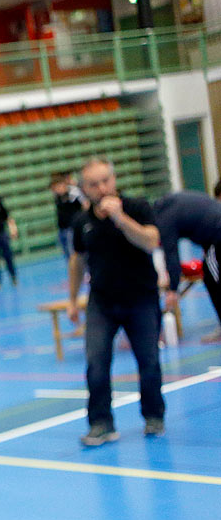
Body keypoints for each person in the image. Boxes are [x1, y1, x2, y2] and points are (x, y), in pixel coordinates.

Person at [66, 157, 164, 446]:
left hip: (141, 298)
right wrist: (72, 300)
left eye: (106, 180)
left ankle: (153, 415)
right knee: (96, 362)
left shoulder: (138, 207)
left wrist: (121, 219)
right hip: (102, 302)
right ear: (85, 189)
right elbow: (77, 260)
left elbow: (150, 240)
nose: (101, 188)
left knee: (149, 361)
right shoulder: (82, 223)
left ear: (114, 179)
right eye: (94, 184)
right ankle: (101, 423)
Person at [155, 188, 221, 341]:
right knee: (210, 275)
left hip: (217, 235)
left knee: (214, 279)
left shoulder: (163, 218)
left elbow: (171, 255)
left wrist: (173, 289)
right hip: (213, 235)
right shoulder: (170, 204)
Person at [50, 171, 84, 260]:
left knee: (74, 253)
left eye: (58, 186)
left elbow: (84, 204)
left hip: (71, 228)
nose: (56, 189)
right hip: (62, 229)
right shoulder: (57, 197)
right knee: (67, 254)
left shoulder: (73, 193)